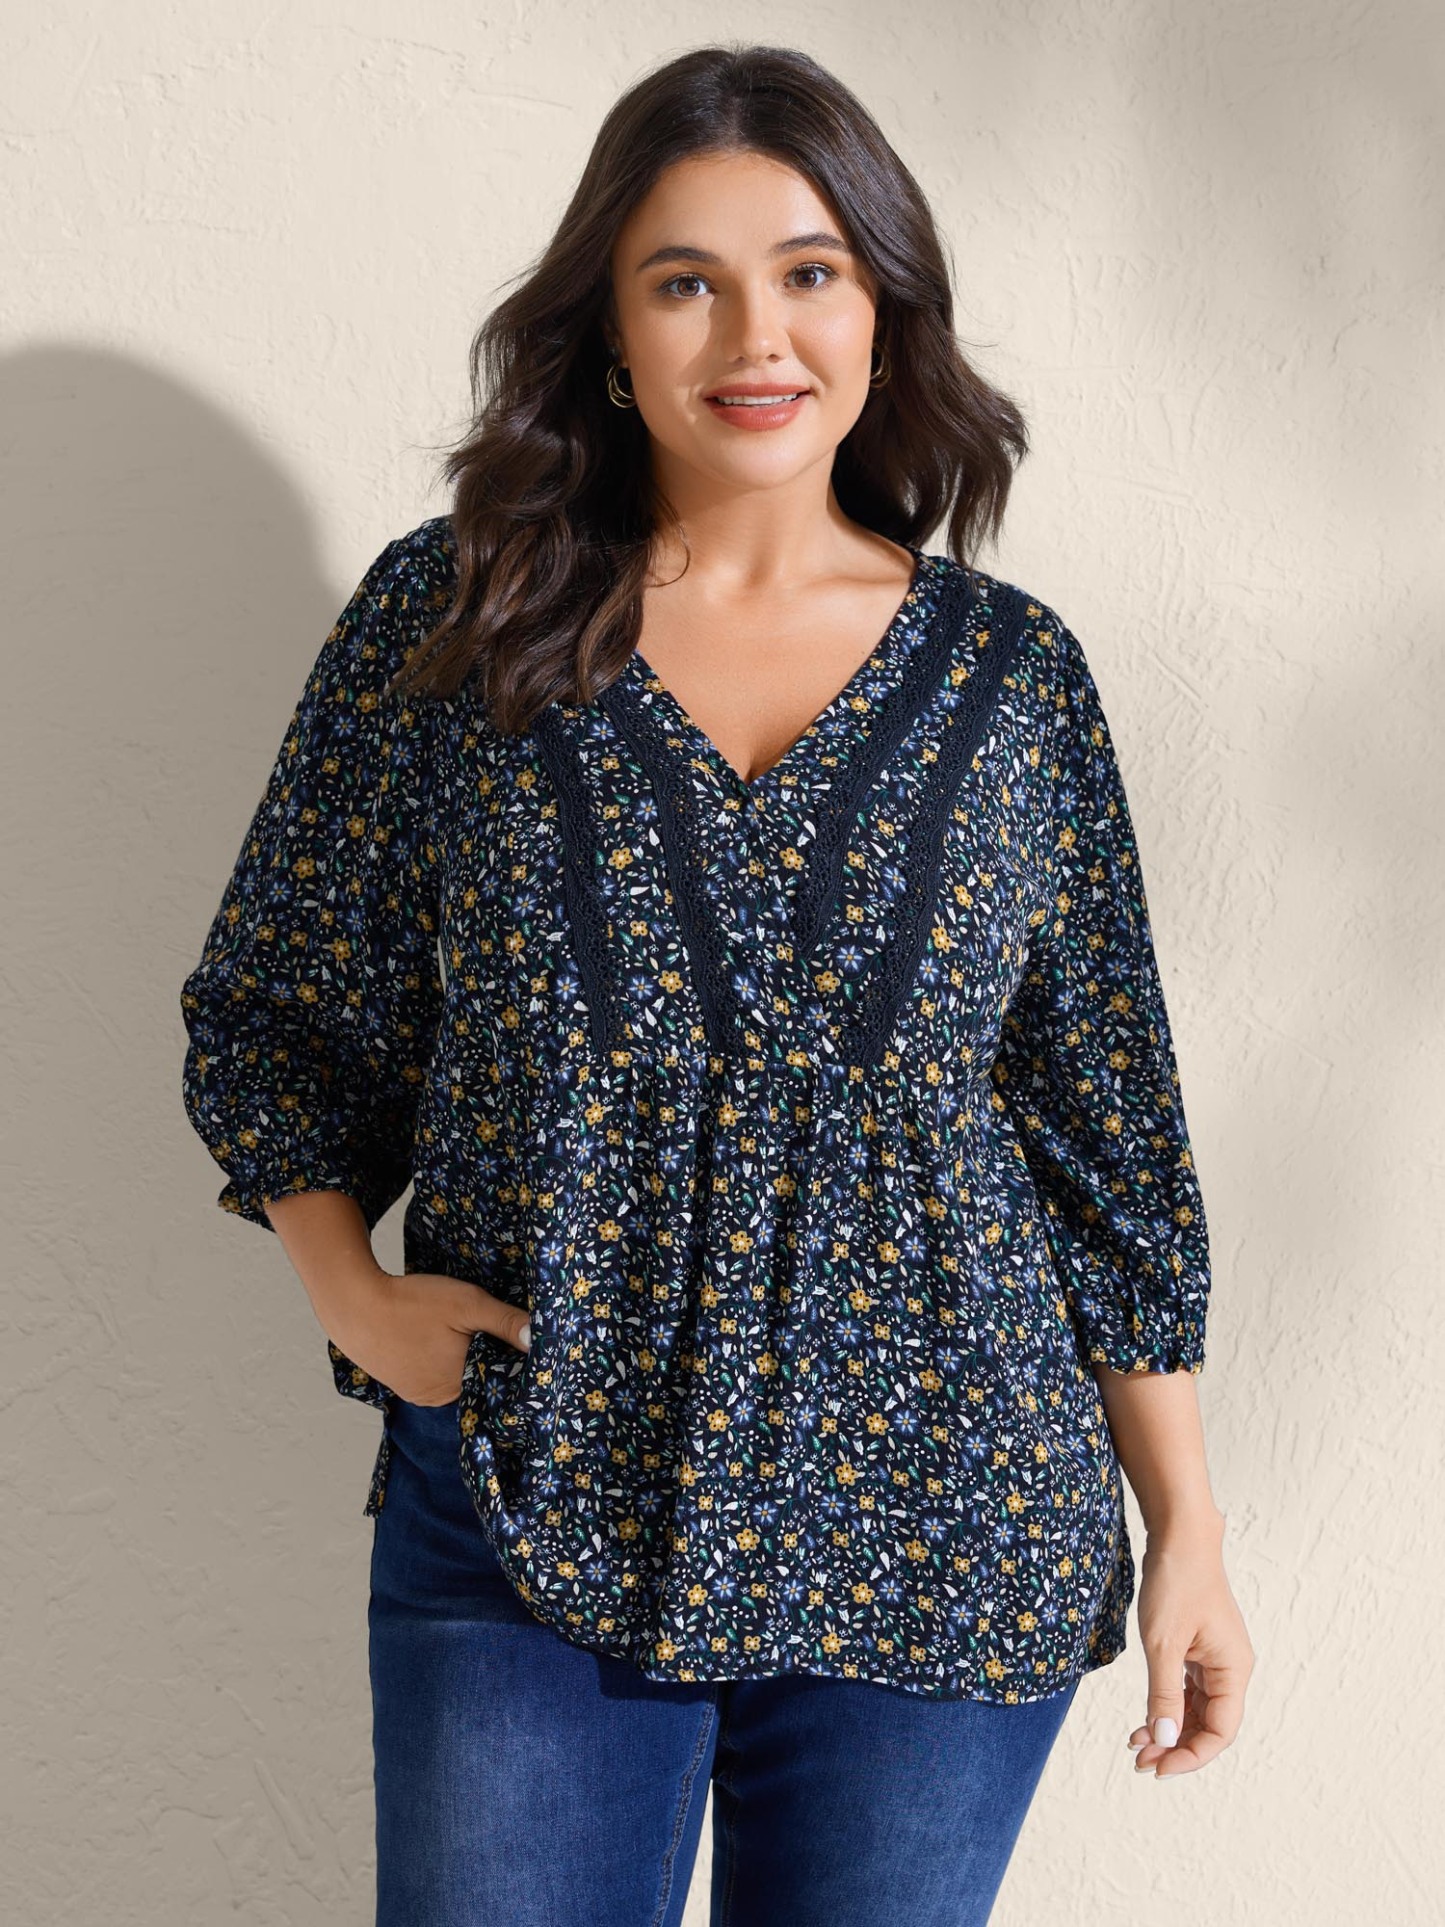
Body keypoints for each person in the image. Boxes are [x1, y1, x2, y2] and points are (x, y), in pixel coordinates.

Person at [178, 41, 1253, 1927]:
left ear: (882, 312)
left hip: (946, 1515)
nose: (755, 334)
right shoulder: (458, 623)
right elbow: (282, 1002)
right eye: (685, 280)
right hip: (533, 1500)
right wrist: (352, 1293)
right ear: (607, 328)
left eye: (808, 271)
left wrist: (1187, 1528)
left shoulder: (1011, 683)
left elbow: (1102, 1128)